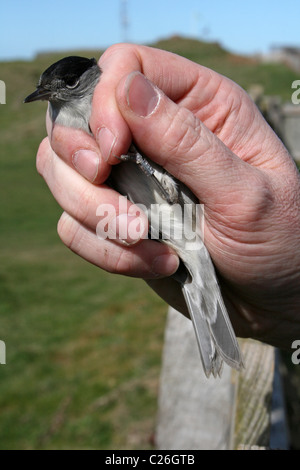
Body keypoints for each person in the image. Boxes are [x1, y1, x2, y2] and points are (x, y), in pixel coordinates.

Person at [36, 43, 300, 349]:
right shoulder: (64, 119)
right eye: (44, 91)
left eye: (70, 84)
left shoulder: (115, 95)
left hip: (189, 215)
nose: (55, 95)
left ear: (93, 75)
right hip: (165, 230)